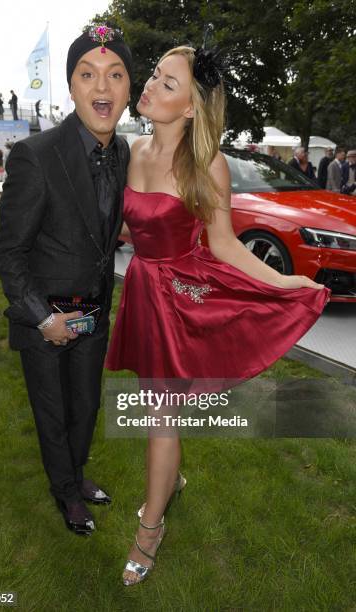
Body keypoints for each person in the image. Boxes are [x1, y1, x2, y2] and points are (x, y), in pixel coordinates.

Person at [105, 45, 331, 586]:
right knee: (158, 404)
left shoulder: (206, 164)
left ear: (189, 108)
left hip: (183, 298)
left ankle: (150, 530)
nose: (151, 86)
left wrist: (283, 280)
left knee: (161, 415)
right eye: (155, 75)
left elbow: (226, 245)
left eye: (167, 83)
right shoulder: (132, 150)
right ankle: (171, 478)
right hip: (142, 290)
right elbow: (130, 228)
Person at [0, 25, 132, 537]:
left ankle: (76, 473)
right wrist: (43, 318)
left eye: (115, 75)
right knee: (53, 415)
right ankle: (66, 493)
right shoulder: (36, 156)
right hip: (45, 316)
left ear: (128, 90)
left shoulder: (122, 154)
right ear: (71, 87)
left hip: (94, 311)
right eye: (88, 74)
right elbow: (8, 252)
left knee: (86, 407)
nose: (103, 87)